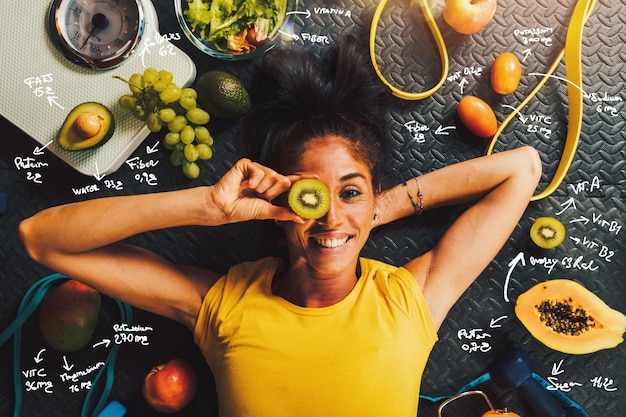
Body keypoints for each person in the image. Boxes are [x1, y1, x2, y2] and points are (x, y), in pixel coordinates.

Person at [19, 40, 541, 417]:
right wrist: (208, 206)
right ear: (279, 203)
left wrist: (369, 211)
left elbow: (522, 168)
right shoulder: (224, 303)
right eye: (311, 193)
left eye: (349, 190)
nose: (330, 215)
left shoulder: (409, 299)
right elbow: (41, 239)